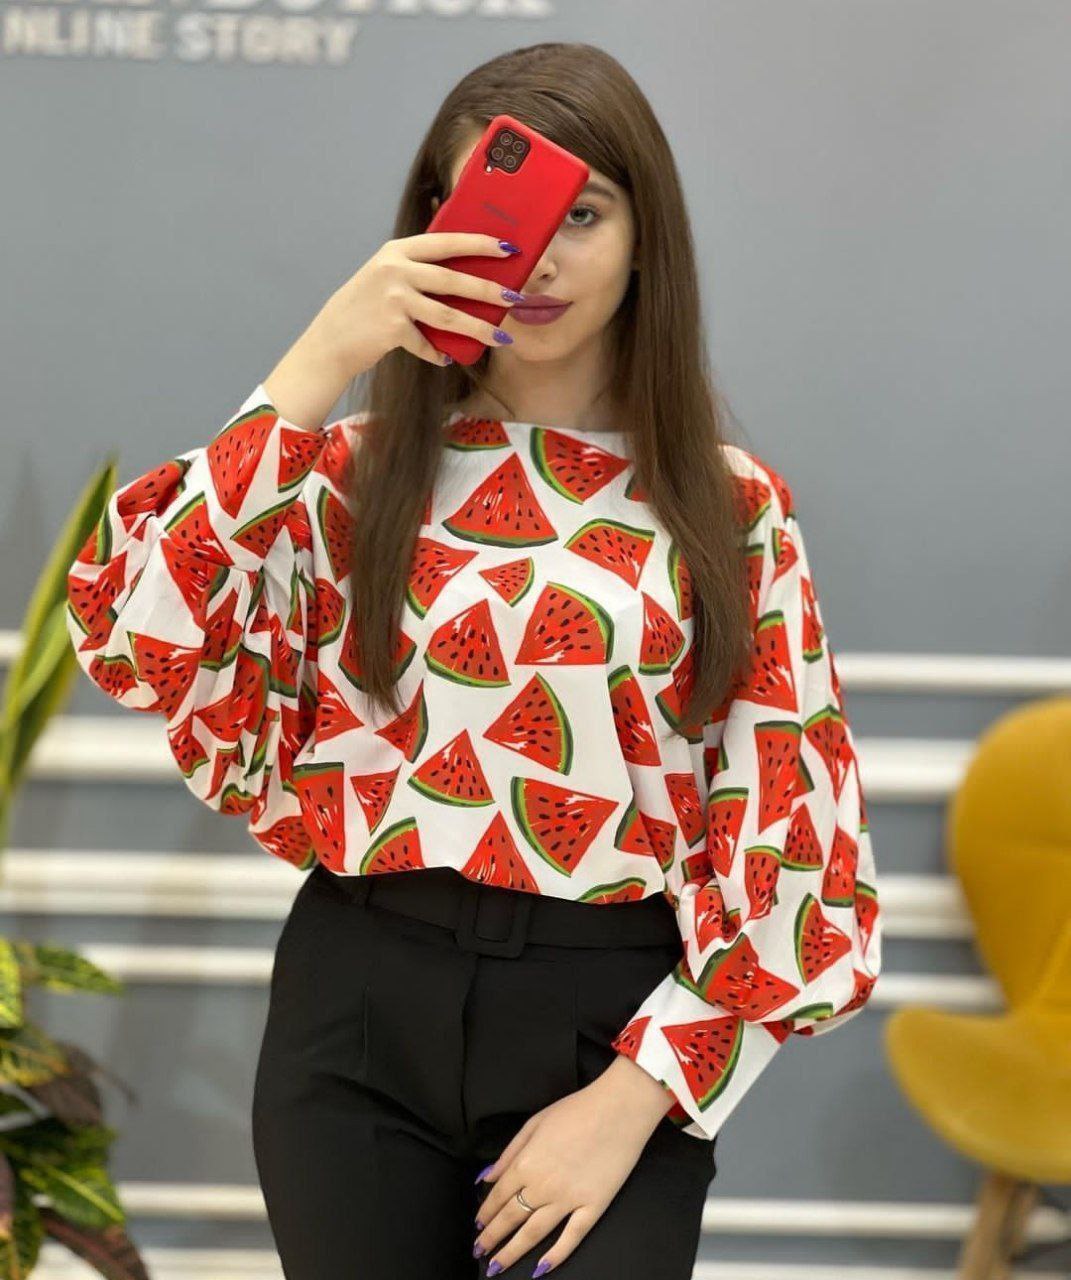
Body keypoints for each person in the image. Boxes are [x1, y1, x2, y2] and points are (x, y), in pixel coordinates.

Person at [64, 40, 882, 1280]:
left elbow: (795, 850)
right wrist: (320, 356)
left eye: (583, 213)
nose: (537, 257)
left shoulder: (733, 508)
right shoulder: (345, 473)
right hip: (356, 1008)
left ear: (646, 238)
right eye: (502, 212)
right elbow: (132, 631)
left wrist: (635, 1098)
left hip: (611, 1022)